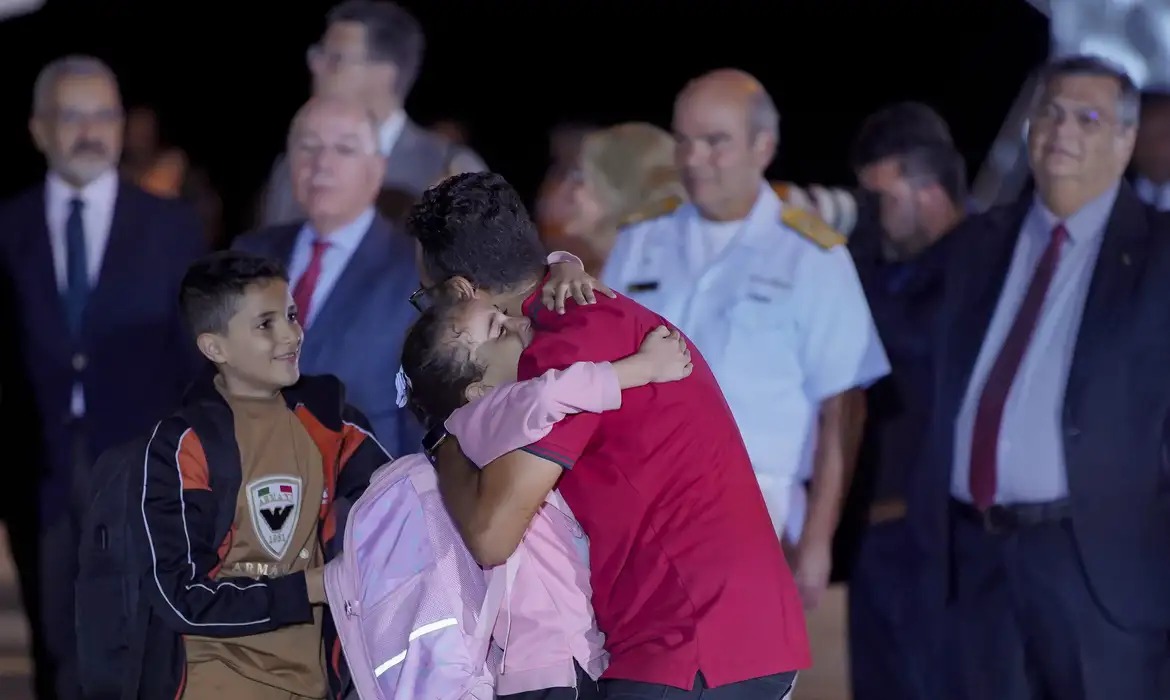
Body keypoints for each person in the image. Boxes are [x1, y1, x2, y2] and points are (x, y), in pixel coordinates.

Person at [408, 171, 805, 700]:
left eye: (424, 299)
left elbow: (490, 534)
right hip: (709, 629)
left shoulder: (565, 341)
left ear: (460, 291)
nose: (427, 313)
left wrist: (443, 434)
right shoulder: (569, 314)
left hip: (692, 637)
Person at [916, 55, 1170, 699]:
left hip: (1095, 569)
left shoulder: (1162, 255)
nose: (1062, 131)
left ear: (1125, 139)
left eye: (1088, 117)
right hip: (973, 558)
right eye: (1050, 112)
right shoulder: (978, 245)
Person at [603, 69, 890, 610]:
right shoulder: (641, 241)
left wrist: (818, 543)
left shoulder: (811, 257)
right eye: (683, 141)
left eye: (715, 142)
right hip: (637, 504)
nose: (693, 159)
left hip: (757, 510)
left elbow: (843, 407)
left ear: (764, 146)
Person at [0, 54, 206, 700]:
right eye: (71, 115)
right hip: (39, 475)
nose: (89, 130)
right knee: (56, 646)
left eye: (103, 114)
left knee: (141, 647)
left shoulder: (173, 227)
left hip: (142, 474)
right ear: (39, 129)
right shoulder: (6, 226)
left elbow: (193, 356)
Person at [400, 301, 693, 700]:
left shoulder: (472, 435)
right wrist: (644, 368)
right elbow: (548, 394)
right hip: (556, 660)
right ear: (479, 390)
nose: (519, 322)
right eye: (498, 330)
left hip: (537, 665)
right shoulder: (485, 414)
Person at [135, 251, 388, 699]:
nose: (291, 334)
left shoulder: (333, 425)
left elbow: (402, 505)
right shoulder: (184, 444)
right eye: (265, 324)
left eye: (291, 315)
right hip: (214, 681)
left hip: (314, 684)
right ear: (215, 348)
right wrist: (310, 586)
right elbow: (178, 595)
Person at [844, 103, 967, 700]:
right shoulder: (879, 269)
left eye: (881, 199)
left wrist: (853, 252)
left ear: (928, 188)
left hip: (943, 545)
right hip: (875, 539)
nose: (873, 218)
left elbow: (908, 344)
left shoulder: (980, 261)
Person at [235, 95, 422, 457]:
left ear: (377, 168)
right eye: (308, 147)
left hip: (363, 495)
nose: (321, 163)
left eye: (344, 149)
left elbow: (422, 414)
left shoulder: (414, 269)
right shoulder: (250, 253)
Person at [260, 0, 486, 227]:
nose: (316, 68)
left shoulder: (449, 169)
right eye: (317, 55)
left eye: (336, 59)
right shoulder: (296, 165)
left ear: (384, 74)